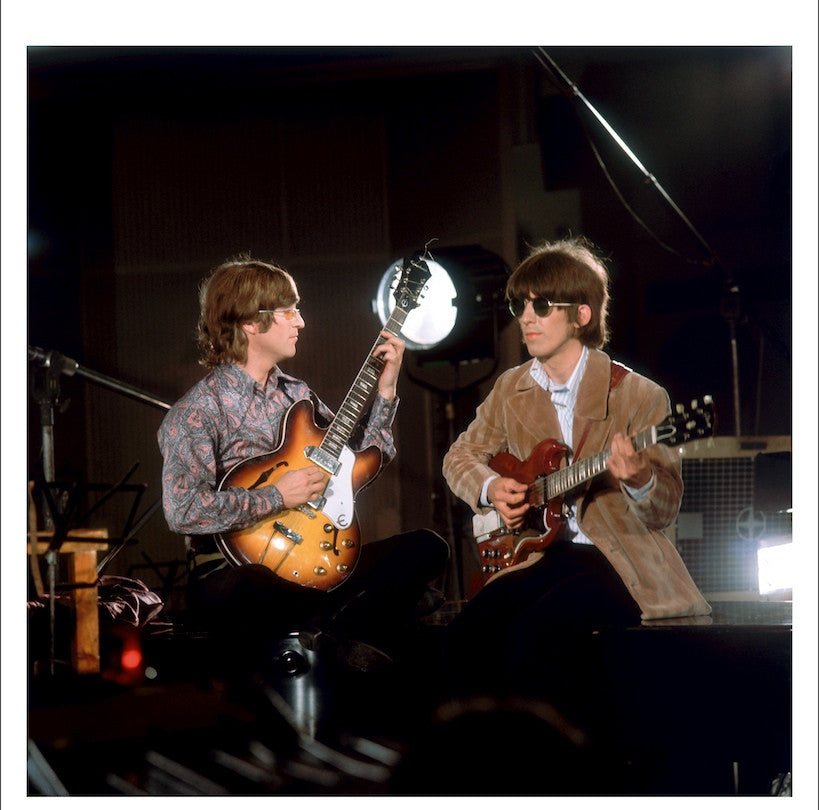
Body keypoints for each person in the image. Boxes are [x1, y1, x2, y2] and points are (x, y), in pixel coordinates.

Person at [441, 237, 711, 722]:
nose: (526, 318)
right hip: (542, 554)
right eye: (519, 306)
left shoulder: (639, 395)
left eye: (541, 306)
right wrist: (490, 487)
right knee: (468, 632)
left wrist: (640, 477)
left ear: (581, 315)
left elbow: (664, 510)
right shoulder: (510, 387)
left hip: (617, 557)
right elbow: (459, 456)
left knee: (536, 634)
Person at [158, 254, 448, 686]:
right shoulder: (197, 412)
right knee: (255, 587)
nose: (301, 322)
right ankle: (348, 620)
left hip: (317, 562)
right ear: (251, 322)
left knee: (427, 547)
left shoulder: (299, 396)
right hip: (233, 573)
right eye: (289, 311)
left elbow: (357, 464)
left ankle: (336, 629)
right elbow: (183, 510)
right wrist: (278, 496)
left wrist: (386, 392)